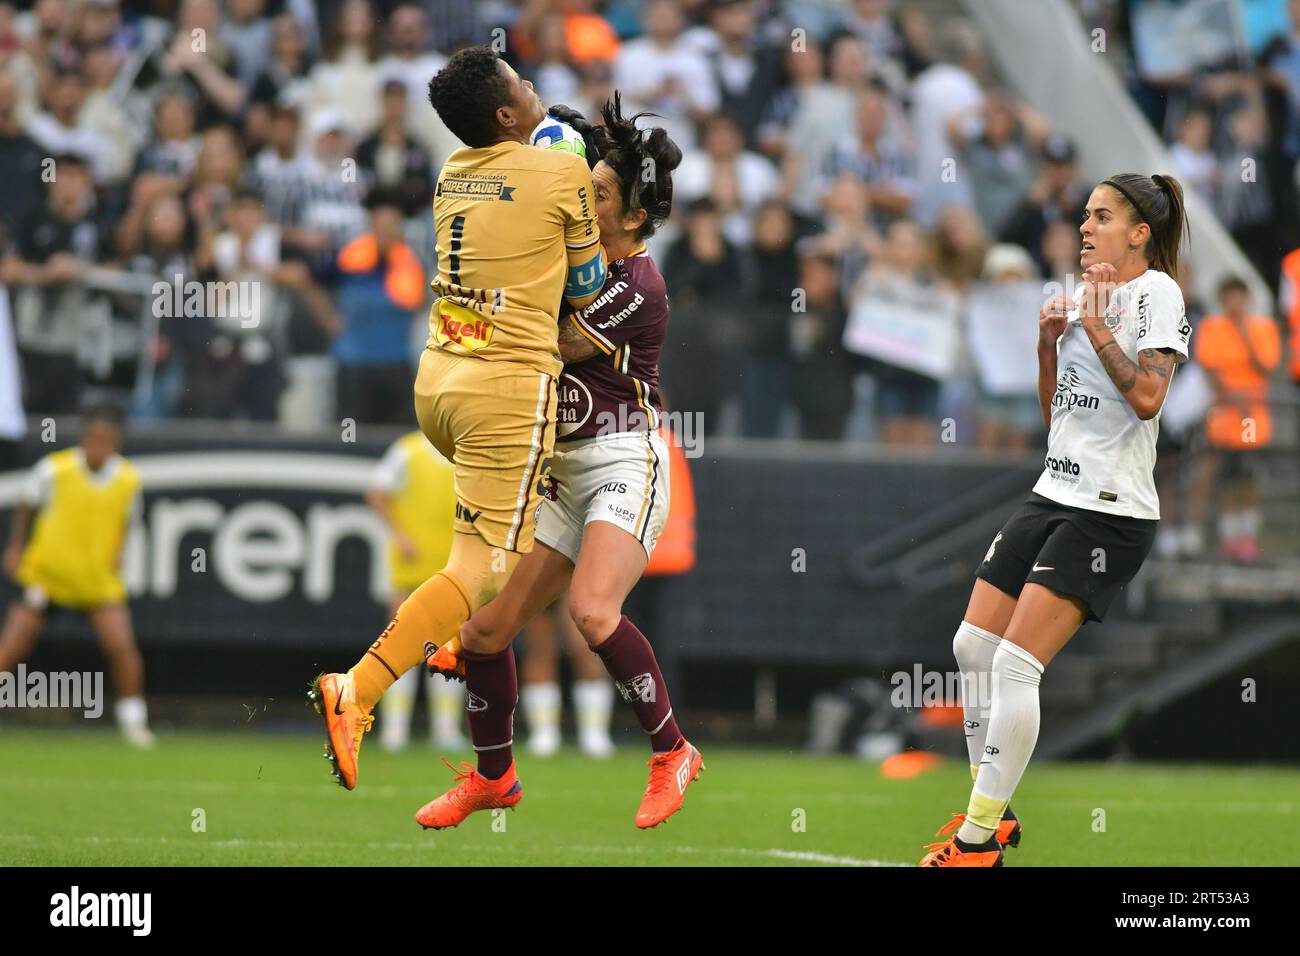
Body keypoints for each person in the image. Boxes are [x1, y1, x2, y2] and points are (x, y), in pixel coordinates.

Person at [309, 46, 605, 795]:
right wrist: (570, 154)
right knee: (483, 567)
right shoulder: (560, 170)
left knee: (520, 524)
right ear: (508, 114)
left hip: (439, 384)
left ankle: (460, 648)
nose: (536, 86)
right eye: (524, 85)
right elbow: (590, 282)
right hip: (505, 388)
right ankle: (361, 687)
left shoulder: (452, 172)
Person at [415, 96, 702, 831]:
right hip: (561, 471)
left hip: (621, 461)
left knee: (591, 611)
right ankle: (493, 777)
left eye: (599, 193)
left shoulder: (639, 281)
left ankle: (672, 752)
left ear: (633, 216)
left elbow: (556, 342)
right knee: (483, 634)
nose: (585, 196)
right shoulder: (567, 251)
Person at [920, 173, 1191, 866]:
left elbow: (1151, 398)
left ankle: (976, 842)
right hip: (1054, 490)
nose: (1084, 226)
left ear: (1139, 233)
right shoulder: (1076, 298)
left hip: (1109, 511)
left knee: (1014, 665)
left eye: (1101, 215)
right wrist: (1049, 344)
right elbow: (1059, 417)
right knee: (971, 649)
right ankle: (995, 810)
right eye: (1084, 215)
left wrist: (1096, 326)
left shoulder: (1155, 294)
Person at [0, 402, 154, 747]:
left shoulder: (128, 479)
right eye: (94, 438)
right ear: (84, 438)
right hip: (48, 573)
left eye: (107, 440)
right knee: (13, 644)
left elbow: (127, 523)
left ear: (116, 442)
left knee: (121, 646)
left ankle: (134, 722)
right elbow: (26, 504)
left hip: (96, 579)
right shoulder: (55, 470)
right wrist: (16, 548)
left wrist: (118, 555)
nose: (100, 446)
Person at [367, 430, 466, 751]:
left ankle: (446, 729)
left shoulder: (468, 450)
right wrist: (400, 535)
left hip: (454, 565)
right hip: (412, 565)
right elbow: (376, 492)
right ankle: (394, 730)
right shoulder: (408, 449)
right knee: (401, 642)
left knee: (450, 647)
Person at [1186, 277, 1280, 563]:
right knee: (1226, 475)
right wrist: (1233, 395)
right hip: (1225, 416)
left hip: (1253, 420)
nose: (1234, 304)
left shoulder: (1262, 328)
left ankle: (1248, 536)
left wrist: (1245, 336)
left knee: (1249, 475)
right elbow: (1209, 368)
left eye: (1240, 297)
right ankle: (1228, 536)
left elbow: (1267, 366)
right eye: (1229, 297)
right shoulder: (1213, 328)